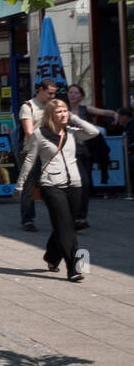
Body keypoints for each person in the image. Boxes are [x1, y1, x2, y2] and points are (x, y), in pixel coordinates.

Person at [14, 98, 99, 282]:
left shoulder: (72, 133)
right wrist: (20, 185)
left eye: (65, 111)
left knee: (65, 224)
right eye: (59, 111)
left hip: (75, 184)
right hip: (51, 185)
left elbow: (94, 132)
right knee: (65, 226)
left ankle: (52, 257)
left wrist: (75, 118)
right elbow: (30, 160)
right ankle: (74, 268)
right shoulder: (39, 134)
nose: (63, 114)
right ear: (50, 115)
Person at [65, 84, 114, 228]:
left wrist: (115, 114)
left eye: (76, 93)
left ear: (81, 96)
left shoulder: (85, 109)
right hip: (67, 153)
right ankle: (71, 215)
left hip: (84, 152)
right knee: (73, 184)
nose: (72, 95)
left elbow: (104, 112)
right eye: (70, 92)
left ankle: (81, 217)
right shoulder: (62, 109)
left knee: (85, 184)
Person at [17, 79, 58, 232]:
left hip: (50, 152)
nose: (53, 96)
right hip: (31, 152)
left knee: (54, 186)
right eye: (50, 93)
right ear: (40, 90)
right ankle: (28, 220)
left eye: (54, 93)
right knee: (29, 187)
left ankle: (60, 217)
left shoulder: (52, 106)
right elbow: (29, 132)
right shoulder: (27, 107)